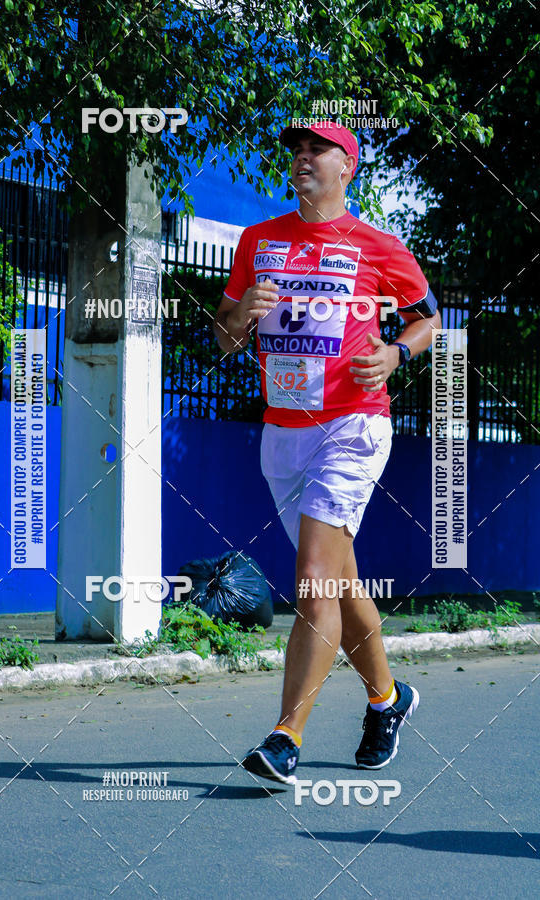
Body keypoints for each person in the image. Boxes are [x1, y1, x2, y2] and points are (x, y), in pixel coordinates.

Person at [213, 121, 441, 784]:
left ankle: (286, 737)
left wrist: (396, 353)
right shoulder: (258, 241)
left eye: (319, 148)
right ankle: (388, 699)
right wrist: (240, 315)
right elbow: (224, 337)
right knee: (337, 581)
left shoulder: (379, 246)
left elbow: (428, 318)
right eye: (298, 149)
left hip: (353, 425)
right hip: (283, 436)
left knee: (313, 575)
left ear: (348, 167)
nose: (303, 157)